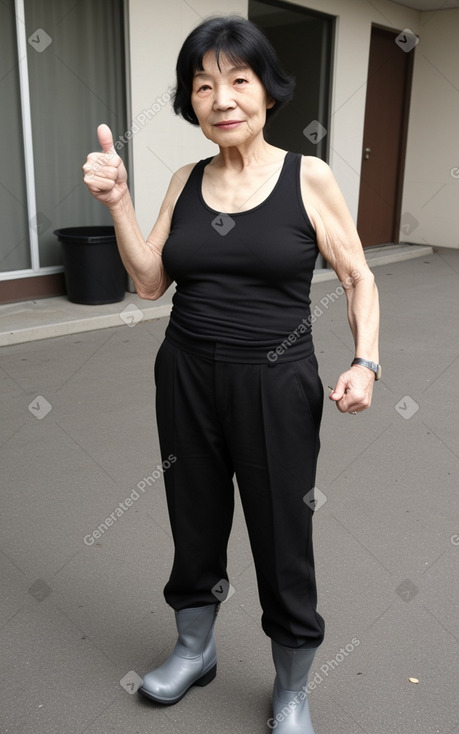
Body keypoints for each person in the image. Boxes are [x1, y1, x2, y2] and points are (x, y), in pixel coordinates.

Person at [83, 15, 380, 733]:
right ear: (192, 102)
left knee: (282, 533)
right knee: (194, 519)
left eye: (238, 81)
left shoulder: (307, 176)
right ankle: (194, 649)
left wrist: (365, 361)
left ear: (266, 92)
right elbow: (150, 282)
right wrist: (118, 203)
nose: (222, 99)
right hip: (185, 373)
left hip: (275, 382)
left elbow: (357, 275)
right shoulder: (185, 180)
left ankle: (290, 688)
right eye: (203, 85)